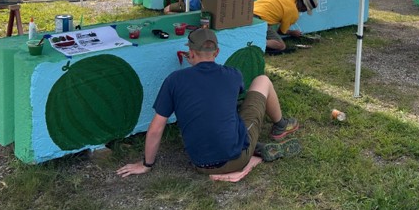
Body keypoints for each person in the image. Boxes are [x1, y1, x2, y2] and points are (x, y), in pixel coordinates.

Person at [116, 29, 300, 178]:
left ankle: (255, 149)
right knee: (262, 80)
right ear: (217, 52)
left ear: (191, 53)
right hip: (235, 160)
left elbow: (156, 128)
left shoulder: (174, 80)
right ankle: (280, 126)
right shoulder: (233, 74)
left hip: (200, 164)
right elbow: (235, 92)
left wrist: (146, 164)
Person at [253, 0, 318, 52]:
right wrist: (292, 33)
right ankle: (254, 43)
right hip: (259, 20)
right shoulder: (294, 14)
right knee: (281, 46)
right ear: (304, 8)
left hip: (248, 12)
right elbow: (281, 31)